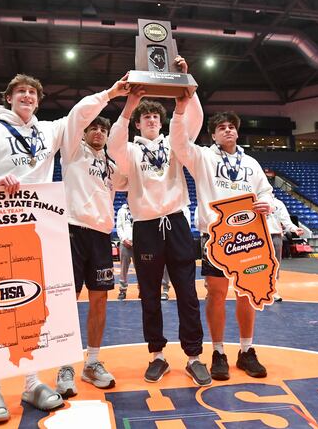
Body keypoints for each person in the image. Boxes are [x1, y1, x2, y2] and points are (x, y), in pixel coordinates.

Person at [0, 72, 130, 424]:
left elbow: (80, 114)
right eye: (20, 92)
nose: (27, 96)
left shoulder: (48, 131)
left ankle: (32, 383)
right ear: (8, 98)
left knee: (32, 306)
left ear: (39, 99)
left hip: (37, 228)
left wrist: (110, 93)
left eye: (33, 93)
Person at [108, 57, 212, 387]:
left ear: (162, 121)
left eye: (155, 115)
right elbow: (112, 146)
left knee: (187, 292)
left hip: (177, 224)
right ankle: (157, 355)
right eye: (145, 117)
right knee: (150, 295)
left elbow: (192, 122)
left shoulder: (174, 144)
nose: (151, 119)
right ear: (137, 124)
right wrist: (130, 105)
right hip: (147, 228)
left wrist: (184, 82)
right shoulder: (130, 151)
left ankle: (194, 356)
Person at [170, 107, 273, 381]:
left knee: (247, 293)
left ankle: (246, 350)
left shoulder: (250, 163)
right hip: (216, 237)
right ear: (213, 135)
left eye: (232, 126)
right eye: (222, 127)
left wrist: (268, 203)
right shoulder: (202, 157)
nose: (228, 130)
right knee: (216, 293)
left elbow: (265, 191)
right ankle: (218, 352)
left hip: (250, 236)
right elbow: (179, 143)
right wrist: (184, 105)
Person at [55, 116, 128, 399]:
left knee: (100, 298)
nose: (98, 132)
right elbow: (77, 120)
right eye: (93, 128)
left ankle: (92, 362)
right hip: (72, 230)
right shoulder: (72, 150)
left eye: (103, 129)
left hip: (100, 234)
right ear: (83, 133)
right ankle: (64, 366)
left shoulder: (112, 166)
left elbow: (134, 179)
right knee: (67, 299)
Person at [267, 197, 303, 303]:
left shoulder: (278, 203)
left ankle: (273, 290)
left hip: (276, 235)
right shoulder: (254, 200)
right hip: (258, 235)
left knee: (275, 264)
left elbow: (285, 219)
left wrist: (294, 229)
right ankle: (257, 289)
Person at [115, 202, 134, 301]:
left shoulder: (140, 208)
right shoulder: (121, 211)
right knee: (123, 268)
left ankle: (142, 290)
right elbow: (119, 227)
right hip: (124, 243)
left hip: (138, 244)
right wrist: (124, 239)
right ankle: (122, 290)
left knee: (141, 269)